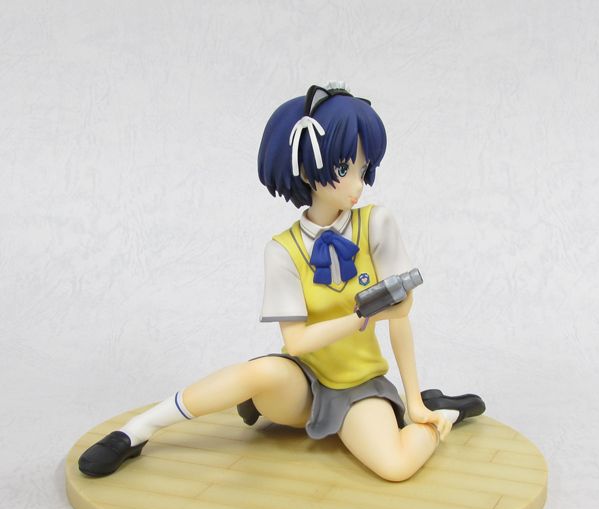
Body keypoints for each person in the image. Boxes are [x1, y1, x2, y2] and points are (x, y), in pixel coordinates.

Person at [78, 82, 485, 483]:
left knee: (395, 466)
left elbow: (401, 315)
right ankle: (135, 431)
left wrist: (414, 401)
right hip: (299, 386)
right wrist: (362, 315)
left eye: (362, 169)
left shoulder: (377, 223)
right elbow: (298, 342)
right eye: (344, 169)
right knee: (258, 373)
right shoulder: (283, 250)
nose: (358, 184)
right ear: (307, 169)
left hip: (359, 387)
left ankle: (439, 413)